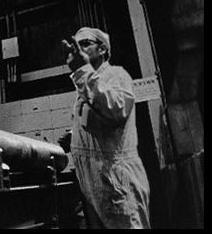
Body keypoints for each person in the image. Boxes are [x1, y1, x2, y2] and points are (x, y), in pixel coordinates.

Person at [58, 27, 151, 229]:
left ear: (102, 49)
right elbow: (101, 123)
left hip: (116, 182)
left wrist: (81, 71)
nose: (79, 50)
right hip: (97, 183)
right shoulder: (89, 81)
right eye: (77, 45)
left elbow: (115, 109)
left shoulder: (115, 75)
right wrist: (74, 135)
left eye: (85, 44)